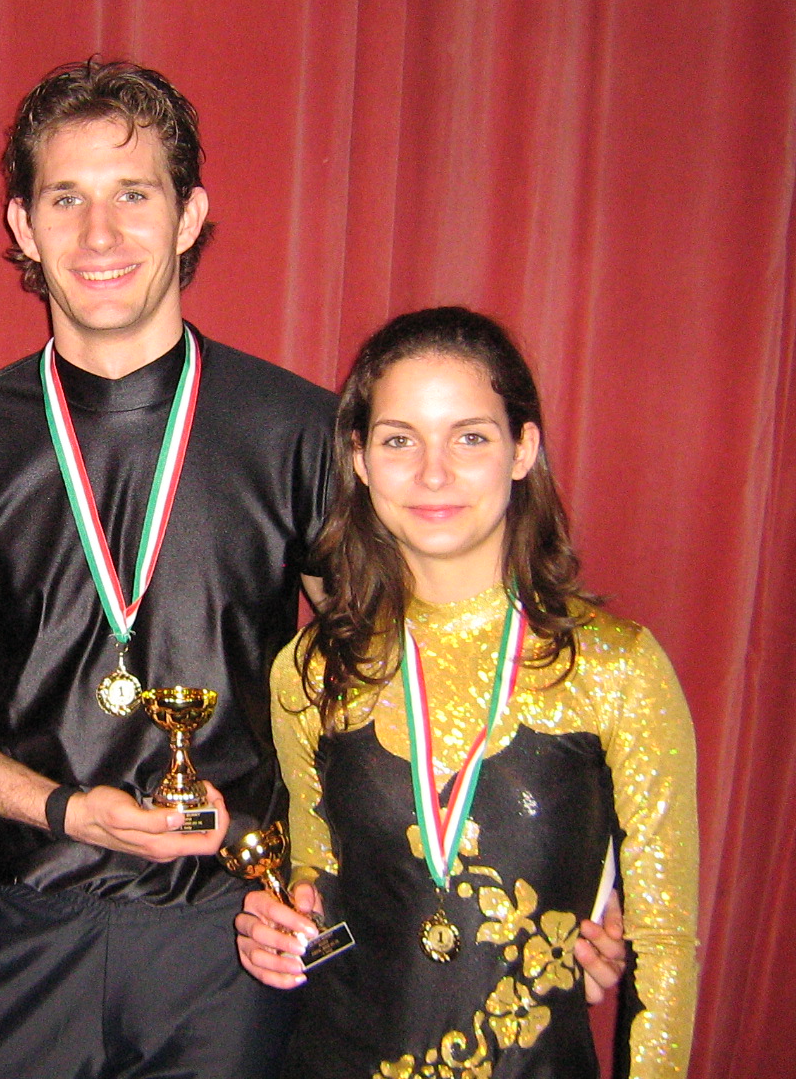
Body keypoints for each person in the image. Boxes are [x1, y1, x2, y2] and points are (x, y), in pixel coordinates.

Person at [0, 59, 336, 1078]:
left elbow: (390, 689)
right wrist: (56, 808)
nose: (99, 234)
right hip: (22, 922)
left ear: (189, 216)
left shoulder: (298, 432)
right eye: (65, 199)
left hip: (235, 931)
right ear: (22, 226)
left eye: (133, 195)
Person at [234, 307, 697, 1078]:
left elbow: (666, 945)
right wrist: (283, 929)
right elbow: (319, 880)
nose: (433, 473)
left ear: (523, 450)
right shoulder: (311, 671)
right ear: (359, 459)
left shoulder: (615, 668)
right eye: (399, 440)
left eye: (470, 437)